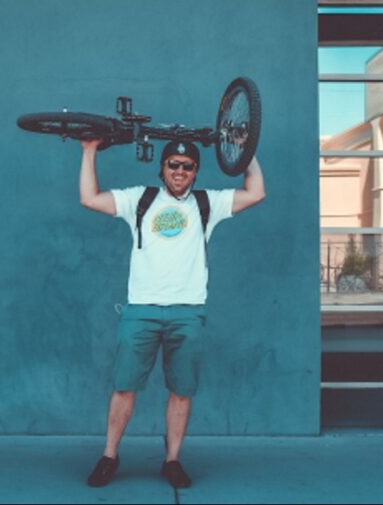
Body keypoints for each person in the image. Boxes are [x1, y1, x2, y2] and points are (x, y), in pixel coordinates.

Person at [80, 138, 265, 489]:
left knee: (181, 391)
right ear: (162, 168)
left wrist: (244, 151)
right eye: (173, 164)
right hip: (141, 310)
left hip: (188, 312)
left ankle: (173, 461)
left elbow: (255, 193)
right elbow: (90, 199)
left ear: (196, 171)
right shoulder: (141, 199)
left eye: (188, 166)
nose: (180, 171)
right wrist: (89, 150)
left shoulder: (206, 202)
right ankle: (109, 456)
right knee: (124, 387)